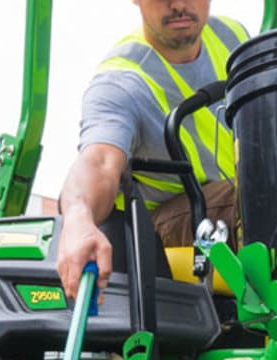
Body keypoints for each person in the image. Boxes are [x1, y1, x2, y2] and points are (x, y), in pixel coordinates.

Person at [56, 0, 248, 301]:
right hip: (168, 226)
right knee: (265, 200)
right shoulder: (122, 81)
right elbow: (99, 161)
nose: (179, 5)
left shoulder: (232, 36)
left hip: (229, 198)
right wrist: (79, 218)